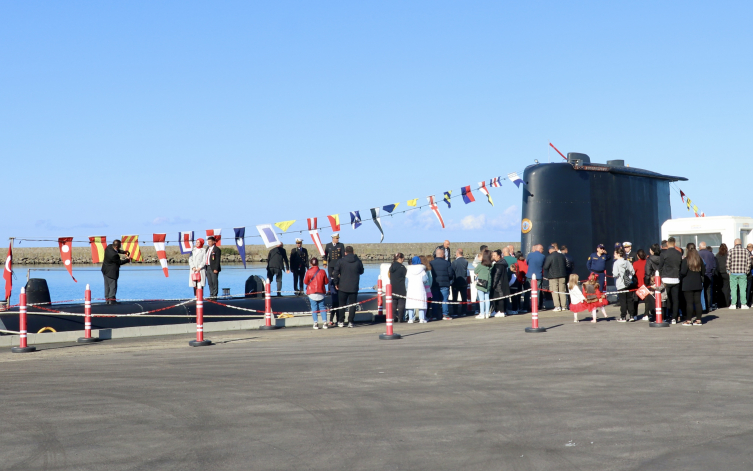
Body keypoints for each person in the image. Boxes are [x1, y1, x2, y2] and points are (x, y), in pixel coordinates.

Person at [333, 245, 364, 327]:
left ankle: (341, 321)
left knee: (342, 304)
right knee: (352, 305)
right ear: (353, 252)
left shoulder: (341, 261)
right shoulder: (358, 261)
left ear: (345, 253)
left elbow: (335, 273)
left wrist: (336, 283)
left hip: (342, 286)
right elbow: (361, 271)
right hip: (354, 286)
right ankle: (351, 321)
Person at [658, 237, 682, 323]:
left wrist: (660, 277)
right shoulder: (679, 254)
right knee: (675, 299)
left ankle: (666, 316)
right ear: (675, 243)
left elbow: (660, 266)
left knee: (666, 299)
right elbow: (680, 266)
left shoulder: (664, 253)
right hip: (676, 278)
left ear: (667, 243)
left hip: (665, 279)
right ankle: (674, 318)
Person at [680, 247, 706, 325]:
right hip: (697, 283)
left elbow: (683, 272)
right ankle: (698, 319)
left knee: (689, 303)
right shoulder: (699, 260)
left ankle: (688, 320)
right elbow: (703, 272)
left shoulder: (686, 260)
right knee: (698, 302)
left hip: (688, 284)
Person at [101, 239, 131, 304]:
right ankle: (112, 300)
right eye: (120, 246)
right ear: (117, 246)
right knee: (112, 286)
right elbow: (119, 262)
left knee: (107, 286)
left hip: (105, 270)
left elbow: (117, 250)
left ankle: (107, 300)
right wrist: (127, 260)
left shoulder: (109, 247)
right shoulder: (114, 255)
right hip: (111, 272)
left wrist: (123, 252)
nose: (120, 247)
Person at [303, 258, 329, 329]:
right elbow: (326, 282)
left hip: (312, 292)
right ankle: (325, 323)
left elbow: (305, 282)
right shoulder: (323, 271)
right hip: (321, 292)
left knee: (314, 308)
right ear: (318, 263)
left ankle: (315, 323)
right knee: (322, 307)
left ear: (311, 264)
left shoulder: (308, 272)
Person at [726, 239, 752, 310]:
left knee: (733, 289)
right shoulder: (746, 251)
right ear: (741, 243)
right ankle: (743, 304)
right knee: (743, 289)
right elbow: (749, 262)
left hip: (733, 273)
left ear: (735, 243)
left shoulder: (731, 251)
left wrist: (728, 270)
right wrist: (747, 271)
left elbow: (728, 262)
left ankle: (733, 304)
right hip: (743, 273)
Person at [430, 247, 455, 320]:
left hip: (435, 284)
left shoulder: (431, 263)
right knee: (445, 300)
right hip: (444, 284)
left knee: (435, 300)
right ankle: (445, 315)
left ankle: (434, 315)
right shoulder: (447, 263)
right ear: (442, 254)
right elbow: (451, 274)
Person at [613, 247, 636, 322]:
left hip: (620, 284)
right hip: (628, 283)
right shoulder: (627, 262)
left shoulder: (616, 263)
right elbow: (632, 272)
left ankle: (623, 317)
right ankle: (632, 315)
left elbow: (615, 274)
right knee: (630, 300)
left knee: (622, 301)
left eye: (615, 253)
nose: (614, 255)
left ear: (618, 254)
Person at [405, 256, 431, 323]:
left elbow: (406, 281)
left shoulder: (409, 270)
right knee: (421, 303)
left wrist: (407, 288)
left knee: (411, 304)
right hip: (420, 288)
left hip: (411, 289)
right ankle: (421, 319)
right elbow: (425, 280)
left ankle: (411, 319)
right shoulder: (422, 270)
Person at [543, 244, 568, 311]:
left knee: (554, 291)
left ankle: (557, 306)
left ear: (550, 250)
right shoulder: (562, 256)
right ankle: (564, 306)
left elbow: (546, 267)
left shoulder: (550, 257)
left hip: (553, 276)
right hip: (562, 276)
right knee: (562, 291)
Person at [490, 250, 511, 317]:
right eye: (492, 255)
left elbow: (497, 275)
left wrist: (493, 284)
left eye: (494, 255)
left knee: (499, 297)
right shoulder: (503, 264)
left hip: (499, 284)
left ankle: (501, 311)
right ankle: (497, 310)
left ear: (499, 256)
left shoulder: (498, 265)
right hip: (503, 283)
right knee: (499, 297)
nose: (493, 257)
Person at [698, 241, 716, 313]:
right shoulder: (711, 254)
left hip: (701, 275)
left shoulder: (698, 254)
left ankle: (703, 307)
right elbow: (714, 266)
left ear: (700, 247)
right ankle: (709, 306)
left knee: (701, 292)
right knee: (708, 291)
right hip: (709, 274)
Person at [388, 253, 407, 323]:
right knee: (401, 303)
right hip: (401, 287)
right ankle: (400, 317)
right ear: (400, 258)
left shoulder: (391, 267)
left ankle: (394, 317)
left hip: (393, 287)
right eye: (403, 259)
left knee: (394, 303)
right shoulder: (402, 267)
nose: (403, 260)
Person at [526, 244, 546, 310]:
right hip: (538, 276)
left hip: (529, 275)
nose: (543, 251)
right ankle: (536, 306)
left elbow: (527, 263)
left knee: (528, 291)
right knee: (537, 292)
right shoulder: (543, 256)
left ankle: (527, 306)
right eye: (542, 249)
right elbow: (543, 265)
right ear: (540, 249)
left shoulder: (530, 255)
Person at [474, 250, 493, 319]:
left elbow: (475, 271)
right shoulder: (491, 265)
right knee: (487, 298)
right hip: (488, 282)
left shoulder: (481, 264)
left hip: (481, 282)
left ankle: (482, 313)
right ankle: (487, 313)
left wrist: (478, 274)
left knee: (481, 299)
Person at [450, 249, 469, 317]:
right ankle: (464, 311)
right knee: (464, 297)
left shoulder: (454, 262)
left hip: (456, 282)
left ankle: (455, 312)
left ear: (457, 254)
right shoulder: (465, 261)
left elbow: (452, 272)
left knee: (455, 297)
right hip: (464, 282)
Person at [633, 249, 649, 321]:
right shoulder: (647, 262)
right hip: (646, 284)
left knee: (636, 301)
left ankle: (635, 315)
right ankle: (646, 314)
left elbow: (632, 273)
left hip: (638, 285)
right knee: (647, 301)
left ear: (638, 256)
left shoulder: (635, 263)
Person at [715, 243, 730, 309]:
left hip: (719, 274)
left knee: (719, 289)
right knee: (727, 289)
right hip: (726, 273)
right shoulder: (728, 255)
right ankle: (726, 303)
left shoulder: (717, 256)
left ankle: (720, 303)